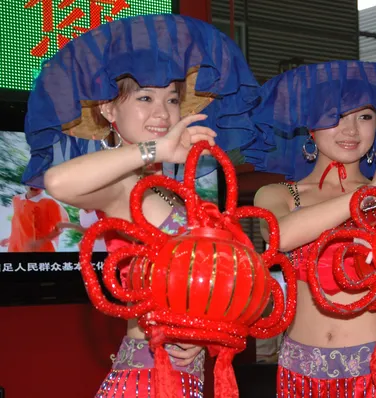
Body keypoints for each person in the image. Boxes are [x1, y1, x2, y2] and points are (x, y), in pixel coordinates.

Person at [22, 14, 263, 397]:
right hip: (147, 379)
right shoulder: (119, 184)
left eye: (171, 99)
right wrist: (153, 149)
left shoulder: (172, 189)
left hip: (186, 378)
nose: (163, 112)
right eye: (145, 98)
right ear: (108, 110)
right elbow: (56, 181)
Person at [252, 61, 376, 397]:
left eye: (363, 117)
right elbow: (281, 236)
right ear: (310, 127)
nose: (350, 130)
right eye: (334, 116)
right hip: (298, 374)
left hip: (374, 373)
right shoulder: (278, 194)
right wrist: (367, 195)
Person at [0, 187, 69, 252]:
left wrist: (41, 242)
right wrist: (10, 239)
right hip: (16, 247)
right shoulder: (17, 199)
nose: (35, 186)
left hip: (40, 249)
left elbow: (61, 228)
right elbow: (18, 223)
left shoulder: (50, 202)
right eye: (31, 181)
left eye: (39, 183)